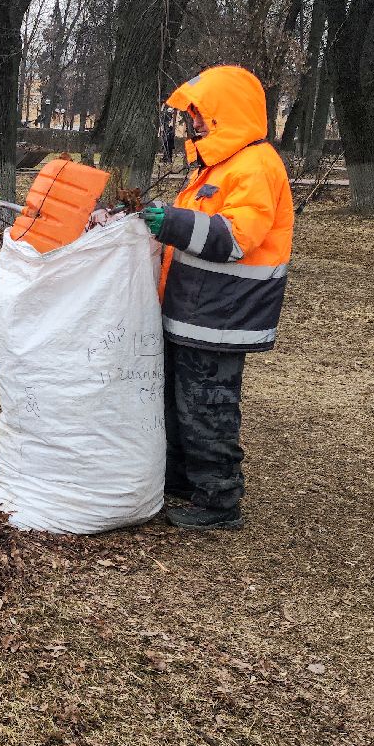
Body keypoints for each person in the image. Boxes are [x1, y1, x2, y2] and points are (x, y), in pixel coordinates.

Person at [141, 65, 294, 531]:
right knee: (179, 402)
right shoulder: (219, 166)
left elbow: (233, 238)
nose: (194, 124)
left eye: (201, 115)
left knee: (207, 405)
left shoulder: (255, 167)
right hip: (196, 311)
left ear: (226, 113)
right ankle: (185, 483)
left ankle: (219, 499)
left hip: (222, 315)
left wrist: (169, 222)